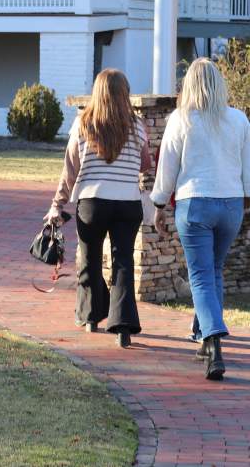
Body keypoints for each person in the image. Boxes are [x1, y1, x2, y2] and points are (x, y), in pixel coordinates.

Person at [151, 58, 250, 381]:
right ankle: (202, 336)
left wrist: (158, 204)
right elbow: (247, 167)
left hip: (194, 203)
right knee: (213, 271)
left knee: (201, 274)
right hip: (231, 203)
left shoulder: (181, 119)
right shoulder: (239, 120)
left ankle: (213, 341)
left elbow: (167, 169)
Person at [45, 69, 152, 348]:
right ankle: (123, 326)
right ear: (124, 93)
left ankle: (91, 317)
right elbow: (145, 164)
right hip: (128, 203)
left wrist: (57, 204)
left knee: (90, 259)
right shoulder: (137, 125)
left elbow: (70, 169)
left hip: (92, 203)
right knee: (123, 262)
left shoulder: (83, 123)